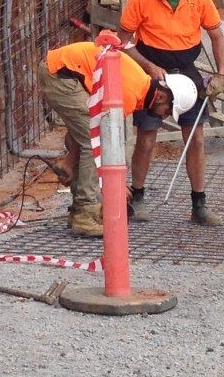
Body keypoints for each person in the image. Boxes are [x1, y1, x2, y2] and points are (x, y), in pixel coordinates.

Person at [40, 34, 192, 237]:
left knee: (88, 136)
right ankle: (85, 213)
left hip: (63, 70)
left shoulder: (140, 85)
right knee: (97, 142)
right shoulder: (129, 94)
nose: (164, 116)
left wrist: (70, 161)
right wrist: (115, 186)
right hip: (61, 74)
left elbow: (89, 124)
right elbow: (97, 137)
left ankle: (80, 209)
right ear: (162, 96)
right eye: (167, 110)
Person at [118, 0, 224, 227]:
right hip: (153, 74)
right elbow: (123, 40)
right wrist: (147, 65)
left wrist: (221, 72)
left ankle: (199, 204)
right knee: (147, 138)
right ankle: (138, 197)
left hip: (187, 73)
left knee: (196, 138)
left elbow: (216, 34)